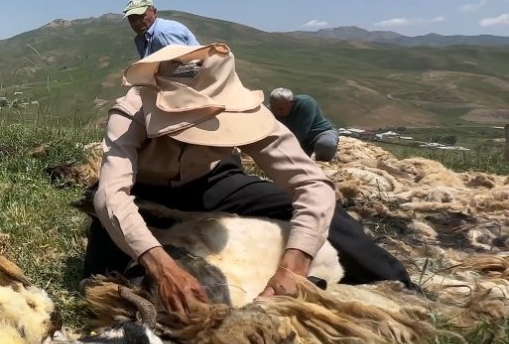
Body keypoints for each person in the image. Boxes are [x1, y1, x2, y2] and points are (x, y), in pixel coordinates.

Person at [83, 43, 414, 318]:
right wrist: (161, 265)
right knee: (100, 282)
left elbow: (311, 184)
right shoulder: (130, 111)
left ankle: (405, 292)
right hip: (144, 190)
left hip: (213, 180)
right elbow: (112, 195)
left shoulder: (245, 110)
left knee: (330, 219)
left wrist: (295, 263)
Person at [269, 88, 339, 162]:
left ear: (292, 103)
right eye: (273, 108)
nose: (277, 112)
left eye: (281, 109)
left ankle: (322, 163)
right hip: (296, 138)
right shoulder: (270, 111)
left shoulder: (306, 103)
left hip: (317, 133)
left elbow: (301, 133)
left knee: (326, 144)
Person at [123, 0, 199, 58]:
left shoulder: (164, 32)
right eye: (132, 19)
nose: (137, 23)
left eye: (141, 16)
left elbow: (186, 64)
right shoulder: (140, 40)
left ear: (154, 12)